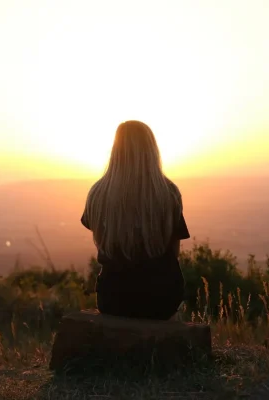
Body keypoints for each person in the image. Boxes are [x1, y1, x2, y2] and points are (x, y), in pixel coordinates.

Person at [81, 120, 190, 320]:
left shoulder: (98, 193)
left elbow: (100, 239)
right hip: (162, 298)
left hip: (113, 298)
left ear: (115, 150)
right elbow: (174, 253)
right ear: (151, 150)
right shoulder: (169, 193)